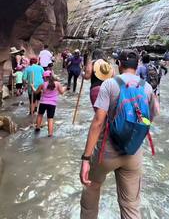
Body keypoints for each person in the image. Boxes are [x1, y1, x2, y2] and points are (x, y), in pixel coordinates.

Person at [80, 49, 159, 219]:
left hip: (106, 153)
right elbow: (151, 117)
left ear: (119, 64)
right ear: (137, 65)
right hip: (133, 152)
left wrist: (86, 159)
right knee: (131, 206)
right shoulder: (147, 87)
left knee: (91, 190)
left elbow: (98, 122)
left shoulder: (109, 84)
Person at [35, 70, 66, 136]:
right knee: (50, 118)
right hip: (52, 104)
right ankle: (50, 134)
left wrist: (32, 87)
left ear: (46, 77)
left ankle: (37, 127)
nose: (43, 79)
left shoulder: (42, 84)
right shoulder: (57, 84)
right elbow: (62, 92)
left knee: (40, 115)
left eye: (43, 77)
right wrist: (65, 88)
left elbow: (36, 92)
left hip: (43, 102)